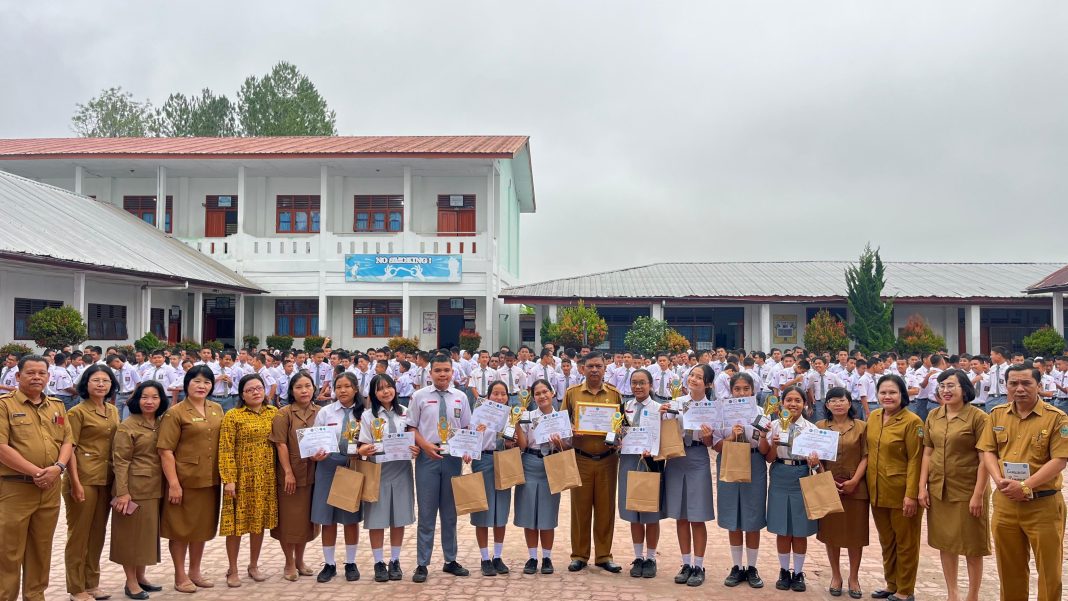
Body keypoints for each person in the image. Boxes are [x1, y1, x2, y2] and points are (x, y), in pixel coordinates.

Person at [978, 364, 1067, 601]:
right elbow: (987, 451)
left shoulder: (1056, 418)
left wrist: (1026, 486)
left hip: (1043, 505)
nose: (1019, 389)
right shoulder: (997, 414)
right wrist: (998, 480)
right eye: (1013, 383)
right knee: (1009, 570)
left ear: (1039, 385)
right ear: (1005, 386)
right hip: (1006, 504)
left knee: (1049, 571)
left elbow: (1059, 460)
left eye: (1026, 383)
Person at [0, 355, 74, 601]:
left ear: (48, 377)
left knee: (41, 550)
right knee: (8, 552)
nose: (36, 377)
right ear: (18, 376)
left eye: (41, 373)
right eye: (30, 373)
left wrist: (58, 467)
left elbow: (67, 440)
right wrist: (36, 472)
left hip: (49, 489)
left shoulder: (56, 405)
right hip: (15, 489)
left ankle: (35, 597)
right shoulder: (5, 405)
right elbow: (1, 448)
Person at [917, 369, 990, 601]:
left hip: (968, 489)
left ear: (964, 389)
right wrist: (922, 487)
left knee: (972, 545)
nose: (945, 391)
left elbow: (984, 459)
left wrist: (978, 494)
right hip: (939, 488)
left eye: (951, 386)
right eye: (942, 386)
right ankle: (952, 594)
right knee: (945, 542)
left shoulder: (978, 418)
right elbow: (927, 453)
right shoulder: (934, 416)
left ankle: (973, 596)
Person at [405, 354, 473, 582]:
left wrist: (467, 449)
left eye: (446, 370)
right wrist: (425, 447)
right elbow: (411, 427)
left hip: (452, 458)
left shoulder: (461, 397)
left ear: (453, 372)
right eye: (438, 370)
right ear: (430, 373)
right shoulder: (419, 396)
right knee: (426, 513)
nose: (442, 374)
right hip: (428, 458)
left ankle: (450, 560)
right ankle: (422, 563)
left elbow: (466, 428)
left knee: (450, 513)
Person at [157, 365, 224, 593]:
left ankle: (195, 571)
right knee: (180, 529)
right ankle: (180, 574)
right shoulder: (175, 412)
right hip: (185, 481)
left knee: (202, 528)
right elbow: (165, 450)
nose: (202, 386)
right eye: (197, 381)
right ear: (187, 384)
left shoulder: (216, 409)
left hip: (210, 480)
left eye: (206, 382)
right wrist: (173, 484)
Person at [559, 352, 624, 573]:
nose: (594, 370)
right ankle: (579, 555)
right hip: (581, 458)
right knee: (580, 509)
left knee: (606, 509)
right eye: (590, 366)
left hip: (607, 460)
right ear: (582, 369)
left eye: (598, 366)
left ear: (605, 369)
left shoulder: (614, 395)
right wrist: (571, 432)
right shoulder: (572, 394)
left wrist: (618, 437)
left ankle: (604, 555)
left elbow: (622, 424)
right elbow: (560, 424)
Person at [64, 364, 121, 601]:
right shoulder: (77, 412)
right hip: (84, 478)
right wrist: (75, 483)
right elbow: (69, 449)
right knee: (79, 535)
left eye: (106, 381)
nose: (101, 384)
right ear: (85, 384)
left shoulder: (113, 410)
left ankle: (92, 582)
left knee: (97, 533)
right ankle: (76, 588)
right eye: (96, 380)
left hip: (106, 478)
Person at [218, 374, 279, 587]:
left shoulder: (274, 413)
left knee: (258, 522)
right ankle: (232, 568)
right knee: (235, 524)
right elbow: (225, 449)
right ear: (242, 395)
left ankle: (253, 565)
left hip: (266, 475)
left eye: (259, 388)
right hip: (241, 476)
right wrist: (229, 479)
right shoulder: (233, 416)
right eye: (250, 389)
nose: (256, 392)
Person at [356, 373, 418, 583]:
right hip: (378, 471)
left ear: (395, 388)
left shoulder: (406, 413)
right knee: (377, 519)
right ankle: (379, 562)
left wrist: (415, 449)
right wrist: (368, 448)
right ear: (374, 393)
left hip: (401, 470)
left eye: (389, 386)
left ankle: (395, 560)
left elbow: (414, 438)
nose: (386, 391)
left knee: (398, 517)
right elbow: (361, 446)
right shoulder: (368, 416)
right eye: (380, 388)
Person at [866, 375, 923, 601]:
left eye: (892, 392)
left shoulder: (913, 422)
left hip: (902, 493)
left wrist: (911, 495)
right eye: (883, 392)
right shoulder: (874, 416)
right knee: (886, 540)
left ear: (902, 395)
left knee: (906, 542)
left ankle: (905, 590)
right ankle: (891, 584)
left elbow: (916, 460)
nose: (887, 397)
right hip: (877, 490)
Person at [110, 381, 169, 600]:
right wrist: (123, 492)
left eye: (155, 397)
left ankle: (142, 576)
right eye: (145, 397)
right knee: (130, 536)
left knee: (146, 535)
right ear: (137, 399)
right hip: (134, 489)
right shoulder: (128, 425)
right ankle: (131, 582)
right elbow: (121, 460)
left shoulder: (162, 422)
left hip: (155, 487)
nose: (150, 401)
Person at [713, 367, 767, 589]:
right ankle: (737, 566)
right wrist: (730, 436)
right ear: (731, 390)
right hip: (729, 460)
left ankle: (752, 567)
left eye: (746, 389)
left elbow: (766, 450)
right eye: (737, 389)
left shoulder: (762, 412)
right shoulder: (721, 411)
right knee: (733, 515)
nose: (742, 392)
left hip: (754, 462)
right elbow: (716, 446)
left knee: (752, 516)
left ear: (753, 391)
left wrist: (762, 435)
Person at [662, 366, 717, 586]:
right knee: (681, 514)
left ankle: (699, 565)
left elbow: (712, 443)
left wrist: (708, 436)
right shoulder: (676, 401)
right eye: (692, 375)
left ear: (708, 384)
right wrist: (663, 415)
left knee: (697, 514)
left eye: (699, 378)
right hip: (675, 458)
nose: (694, 379)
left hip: (697, 457)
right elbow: (663, 430)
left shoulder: (711, 408)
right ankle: (686, 563)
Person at [309, 372, 365, 583]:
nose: (342, 390)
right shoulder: (325, 412)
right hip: (327, 468)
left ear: (355, 389)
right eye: (339, 386)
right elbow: (315, 439)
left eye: (347, 386)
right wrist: (315, 453)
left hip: (352, 467)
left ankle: (351, 562)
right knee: (328, 518)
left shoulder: (364, 413)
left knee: (350, 519)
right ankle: (329, 564)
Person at [815, 387, 869, 599]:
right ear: (827, 405)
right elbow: (817, 457)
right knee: (832, 533)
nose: (838, 404)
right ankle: (836, 575)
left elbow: (867, 456)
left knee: (856, 534)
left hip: (856, 488)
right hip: (829, 486)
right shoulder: (820, 427)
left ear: (849, 403)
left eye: (842, 400)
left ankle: (853, 577)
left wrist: (855, 480)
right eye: (833, 400)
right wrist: (823, 475)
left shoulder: (862, 427)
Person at [514, 378, 569, 575]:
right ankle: (532, 557)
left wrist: (560, 441)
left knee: (547, 513)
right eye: (537, 393)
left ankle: (547, 557)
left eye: (545, 391)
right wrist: (518, 425)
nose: (542, 396)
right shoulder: (527, 416)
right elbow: (522, 446)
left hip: (551, 465)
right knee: (529, 513)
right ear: (532, 397)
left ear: (552, 393)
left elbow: (569, 446)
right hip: (530, 463)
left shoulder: (562, 417)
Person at [270, 371, 321, 582]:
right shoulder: (284, 414)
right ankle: (289, 562)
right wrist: (288, 472)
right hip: (291, 475)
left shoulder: (320, 411)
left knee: (306, 521)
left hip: (315, 474)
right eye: (299, 387)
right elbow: (280, 444)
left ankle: (300, 560)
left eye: (308, 386)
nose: (304, 390)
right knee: (289, 521)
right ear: (291, 390)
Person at [617, 370, 663, 580]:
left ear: (650, 385)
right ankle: (638, 557)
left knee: (650, 512)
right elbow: (617, 431)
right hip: (628, 460)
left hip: (650, 461)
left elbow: (665, 437)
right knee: (634, 511)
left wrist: (654, 450)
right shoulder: (624, 407)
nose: (638, 387)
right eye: (634, 383)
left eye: (642, 383)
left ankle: (651, 558)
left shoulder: (659, 409)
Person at [468, 380, 514, 576]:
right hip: (483, 460)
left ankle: (497, 556)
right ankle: (484, 557)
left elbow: (517, 440)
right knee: (482, 509)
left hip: (504, 460)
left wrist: (513, 440)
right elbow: (468, 437)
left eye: (503, 394)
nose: (500, 397)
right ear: (488, 396)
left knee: (501, 511)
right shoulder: (478, 414)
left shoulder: (512, 416)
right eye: (495, 393)